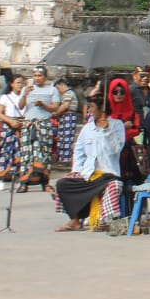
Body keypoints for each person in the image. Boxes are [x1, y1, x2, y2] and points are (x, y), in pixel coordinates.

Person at [53, 94, 125, 232]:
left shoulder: (117, 125)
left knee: (114, 186)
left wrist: (107, 130)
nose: (89, 111)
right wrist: (76, 170)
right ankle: (74, 219)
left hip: (107, 174)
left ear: (102, 108)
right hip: (88, 173)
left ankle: (104, 221)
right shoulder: (87, 128)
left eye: (92, 107)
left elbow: (116, 149)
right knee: (63, 184)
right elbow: (79, 152)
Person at [18, 65, 62, 192]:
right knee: (27, 154)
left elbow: (55, 107)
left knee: (44, 153)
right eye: (35, 75)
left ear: (45, 77)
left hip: (43, 124)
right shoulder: (27, 89)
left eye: (40, 76)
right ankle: (24, 182)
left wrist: (43, 105)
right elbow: (21, 107)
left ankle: (45, 182)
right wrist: (25, 94)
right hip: (28, 124)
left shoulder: (52, 90)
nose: (37, 78)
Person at [106, 77, 143, 187]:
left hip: (128, 153)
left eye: (122, 92)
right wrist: (123, 127)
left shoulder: (132, 112)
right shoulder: (106, 112)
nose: (118, 95)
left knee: (130, 183)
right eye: (115, 92)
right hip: (110, 152)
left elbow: (136, 130)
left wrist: (122, 132)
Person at [0, 75, 25, 185]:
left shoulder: (25, 97)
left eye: (21, 83)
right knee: (6, 152)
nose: (20, 85)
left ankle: (20, 178)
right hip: (9, 124)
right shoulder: (5, 97)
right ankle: (1, 179)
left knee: (21, 153)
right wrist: (10, 121)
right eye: (18, 82)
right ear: (12, 84)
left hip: (22, 125)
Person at [52, 78, 79, 166]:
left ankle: (66, 160)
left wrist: (56, 113)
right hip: (64, 118)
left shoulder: (68, 93)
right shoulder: (66, 94)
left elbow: (65, 105)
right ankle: (62, 158)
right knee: (62, 138)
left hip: (68, 117)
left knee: (66, 139)